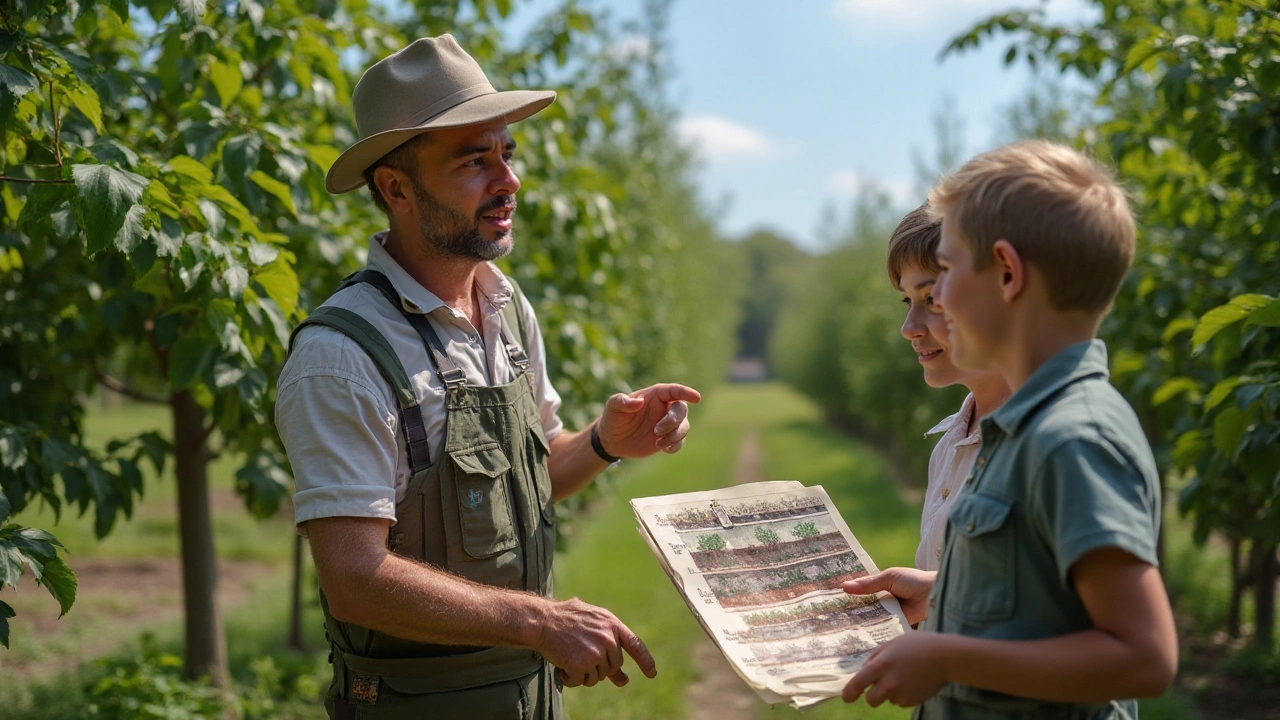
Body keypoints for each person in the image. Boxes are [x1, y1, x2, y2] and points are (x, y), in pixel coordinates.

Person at [275, 35, 700, 720]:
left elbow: (523, 488)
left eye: (507, 152)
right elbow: (354, 577)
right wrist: (540, 622)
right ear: (396, 189)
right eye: (475, 161)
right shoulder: (343, 355)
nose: (509, 180)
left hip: (530, 700)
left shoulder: (505, 307)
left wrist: (603, 443)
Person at [842, 140, 1177, 717]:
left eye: (944, 275)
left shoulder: (1073, 439)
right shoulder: (1020, 432)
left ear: (1007, 274)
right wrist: (945, 597)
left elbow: (1143, 655)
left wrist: (949, 659)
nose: (934, 304)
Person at [887, 204, 1010, 572]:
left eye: (932, 301)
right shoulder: (946, 448)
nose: (909, 328)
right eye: (908, 301)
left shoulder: (1047, 444)